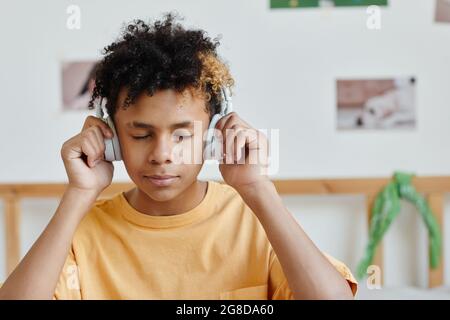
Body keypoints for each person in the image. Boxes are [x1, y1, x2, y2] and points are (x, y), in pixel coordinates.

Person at [0, 13, 357, 300]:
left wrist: (258, 188)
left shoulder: (256, 221)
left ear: (213, 135)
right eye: (141, 135)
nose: (161, 155)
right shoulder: (80, 232)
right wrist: (79, 193)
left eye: (183, 134)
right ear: (111, 137)